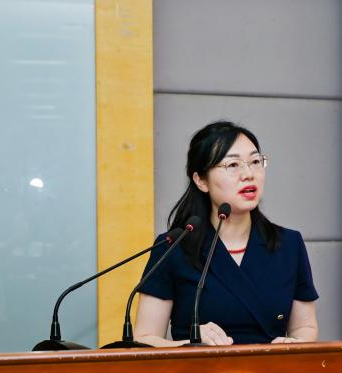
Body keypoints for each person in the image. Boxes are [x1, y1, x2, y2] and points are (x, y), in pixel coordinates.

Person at [134, 121, 319, 346]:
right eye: (233, 165)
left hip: (270, 367)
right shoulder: (173, 247)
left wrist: (295, 343)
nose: (248, 174)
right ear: (201, 181)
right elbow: (144, 338)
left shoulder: (288, 244)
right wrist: (190, 343)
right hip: (198, 368)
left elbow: (304, 327)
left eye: (255, 162)